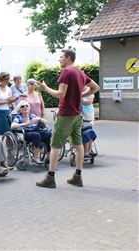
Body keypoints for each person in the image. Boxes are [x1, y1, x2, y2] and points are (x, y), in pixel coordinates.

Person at [36, 49, 99, 188]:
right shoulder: (79, 72)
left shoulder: (66, 72)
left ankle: (50, 178)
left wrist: (45, 88)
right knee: (78, 144)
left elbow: (60, 95)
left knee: (55, 145)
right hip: (78, 114)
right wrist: (80, 96)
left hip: (66, 114)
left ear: (68, 58)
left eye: (61, 57)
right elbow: (95, 87)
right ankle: (78, 176)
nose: (59, 60)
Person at [81, 87, 97, 159]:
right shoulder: (78, 88)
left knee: (88, 130)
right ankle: (87, 151)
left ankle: (89, 150)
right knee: (86, 131)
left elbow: (89, 101)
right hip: (79, 113)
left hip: (87, 113)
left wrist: (80, 99)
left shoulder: (89, 89)